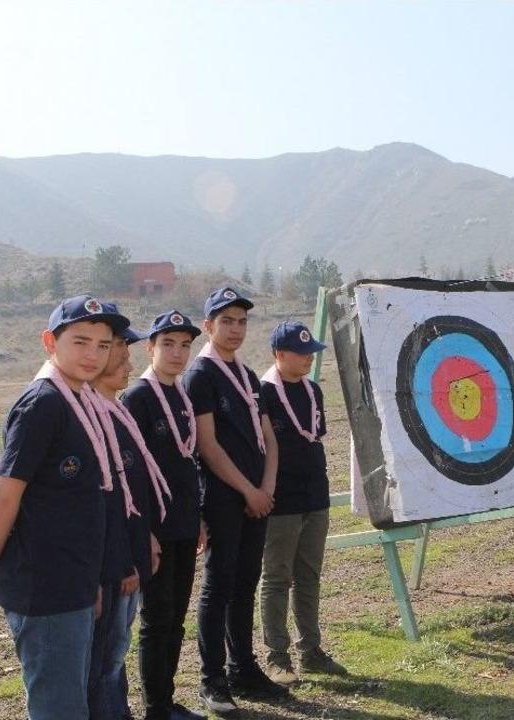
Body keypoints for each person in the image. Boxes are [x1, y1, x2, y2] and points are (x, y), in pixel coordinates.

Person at [0, 295, 130, 719]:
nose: (92, 355)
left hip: (73, 579)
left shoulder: (79, 398)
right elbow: (5, 492)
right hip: (46, 586)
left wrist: (89, 579)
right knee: (60, 708)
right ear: (50, 342)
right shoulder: (43, 404)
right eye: (80, 341)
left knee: (71, 699)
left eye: (103, 345)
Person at [183, 287, 286, 718]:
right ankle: (212, 680)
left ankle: (243, 668)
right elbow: (207, 445)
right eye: (226, 321)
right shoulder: (200, 375)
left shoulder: (247, 375)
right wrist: (248, 491)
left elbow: (268, 438)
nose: (236, 329)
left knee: (246, 582)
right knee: (218, 585)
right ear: (208, 325)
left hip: (258, 496)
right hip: (225, 497)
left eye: (242, 321)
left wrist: (267, 487)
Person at [122, 310, 208, 720]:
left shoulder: (181, 395)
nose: (178, 353)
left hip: (184, 523)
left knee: (175, 618)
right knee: (157, 619)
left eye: (185, 345)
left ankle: (167, 700)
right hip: (156, 528)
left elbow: (186, 462)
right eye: (168, 344)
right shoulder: (138, 397)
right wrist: (145, 531)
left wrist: (198, 517)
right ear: (150, 348)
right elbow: (132, 471)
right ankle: (155, 708)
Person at [259, 321, 347, 684]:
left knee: (309, 576)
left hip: (315, 496)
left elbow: (314, 435)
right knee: (277, 578)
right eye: (300, 353)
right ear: (279, 354)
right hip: (281, 501)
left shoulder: (313, 390)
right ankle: (277, 657)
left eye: (311, 352)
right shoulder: (263, 392)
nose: (308, 358)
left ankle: (310, 650)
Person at [89, 320, 168, 720]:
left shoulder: (115, 410)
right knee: (106, 655)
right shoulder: (91, 416)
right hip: (114, 562)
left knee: (116, 649)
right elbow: (106, 501)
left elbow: (132, 490)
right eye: (119, 348)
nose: (127, 360)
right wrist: (122, 562)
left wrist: (146, 537)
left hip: (130, 552)